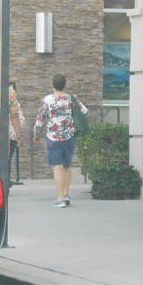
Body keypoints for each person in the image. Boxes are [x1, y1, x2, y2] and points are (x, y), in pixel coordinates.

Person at [33, 73, 88, 208]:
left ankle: (60, 198)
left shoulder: (47, 100)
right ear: (65, 84)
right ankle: (66, 193)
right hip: (70, 135)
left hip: (54, 136)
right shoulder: (72, 99)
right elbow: (85, 112)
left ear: (52, 84)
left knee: (57, 167)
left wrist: (36, 133)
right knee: (67, 166)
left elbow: (40, 119)